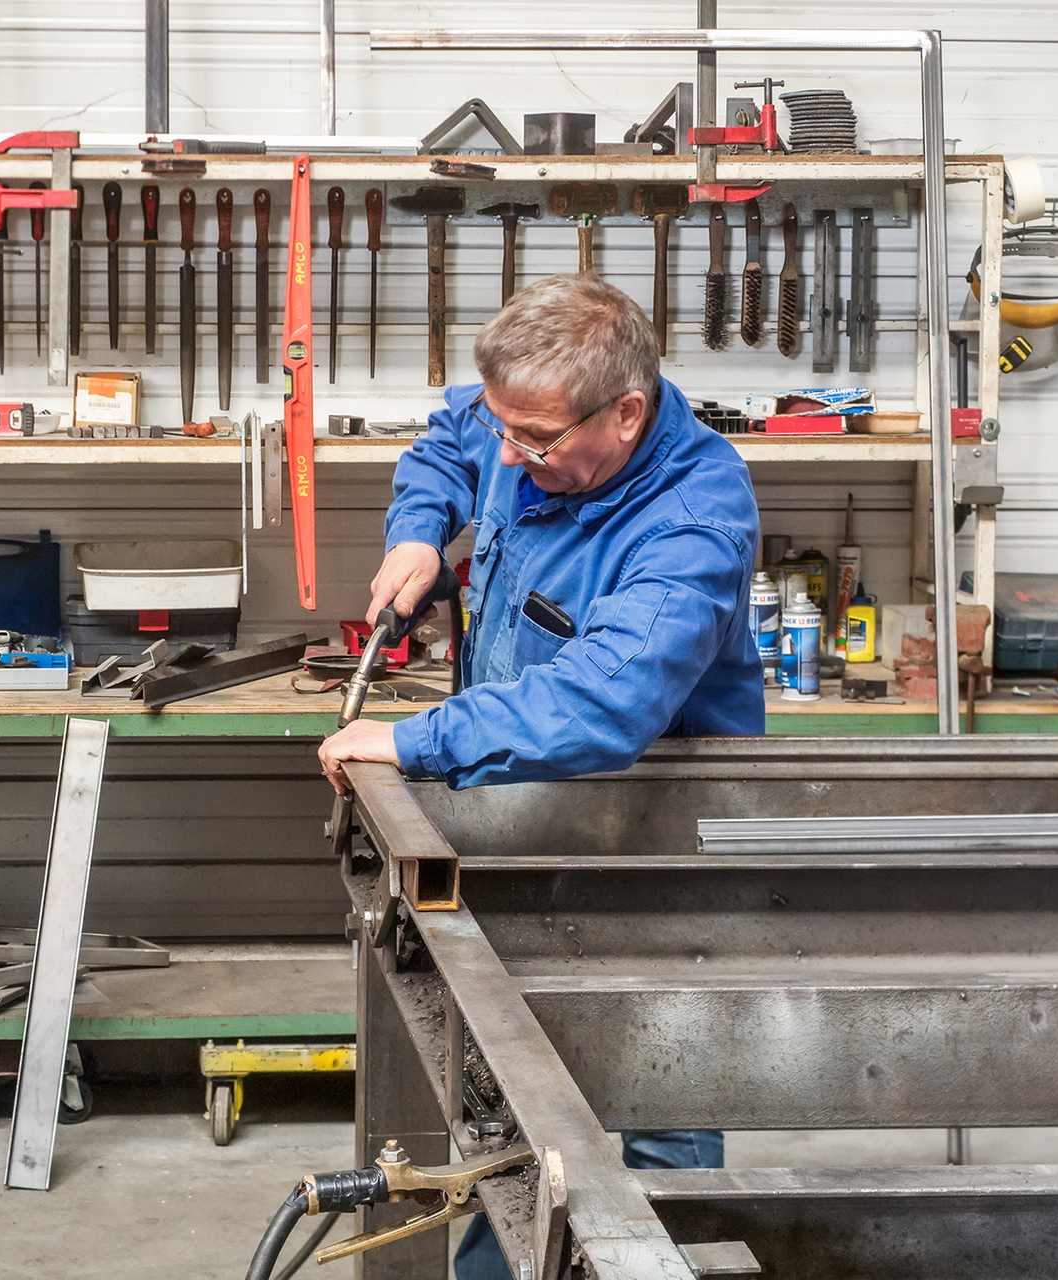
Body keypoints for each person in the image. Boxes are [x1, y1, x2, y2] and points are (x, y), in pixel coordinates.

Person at [316, 274, 764, 1280]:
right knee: (520, 1125)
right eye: (506, 430)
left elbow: (606, 700)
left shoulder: (694, 518)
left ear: (629, 411)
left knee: (646, 1135)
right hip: (524, 828)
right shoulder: (531, 421)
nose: (510, 457)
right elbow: (448, 441)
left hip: (652, 865)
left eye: (537, 443)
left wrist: (423, 738)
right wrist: (420, 530)